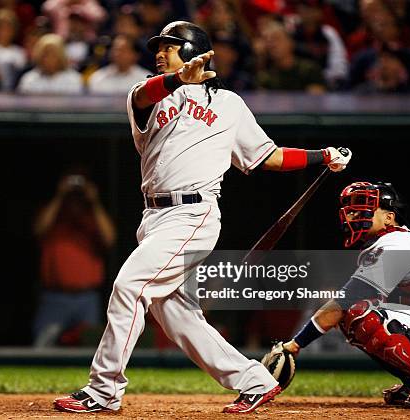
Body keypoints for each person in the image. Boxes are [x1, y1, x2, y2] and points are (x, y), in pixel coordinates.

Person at [53, 21, 351, 414]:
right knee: (176, 315)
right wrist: (177, 77)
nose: (159, 52)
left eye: (170, 47)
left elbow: (268, 156)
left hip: (193, 212)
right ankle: (255, 381)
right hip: (155, 217)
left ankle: (103, 390)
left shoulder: (229, 104)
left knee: (130, 286)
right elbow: (143, 96)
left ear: (195, 51)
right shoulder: (149, 93)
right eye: (158, 47)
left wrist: (322, 156)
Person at [278, 181, 410, 410]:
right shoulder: (402, 241)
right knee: (362, 310)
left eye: (364, 208)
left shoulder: (397, 244)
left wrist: (295, 344)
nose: (353, 215)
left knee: (358, 312)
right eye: (351, 210)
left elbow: (344, 302)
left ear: (390, 217)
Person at [32, 173, 116, 347]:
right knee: (42, 346)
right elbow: (39, 229)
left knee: (90, 349)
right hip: (54, 296)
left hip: (87, 298)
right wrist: (60, 195)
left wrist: (94, 201)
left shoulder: (92, 217)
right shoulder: (55, 216)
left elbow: (110, 239)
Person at [255, 21, 326, 93]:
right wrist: (260, 59)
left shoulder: (309, 70)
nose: (271, 45)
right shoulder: (266, 75)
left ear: (290, 42)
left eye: (276, 39)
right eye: (267, 40)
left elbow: (316, 100)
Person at [16, 33, 82, 95]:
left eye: (54, 54)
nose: (49, 58)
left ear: (61, 56)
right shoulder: (29, 79)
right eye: (46, 53)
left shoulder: (73, 79)